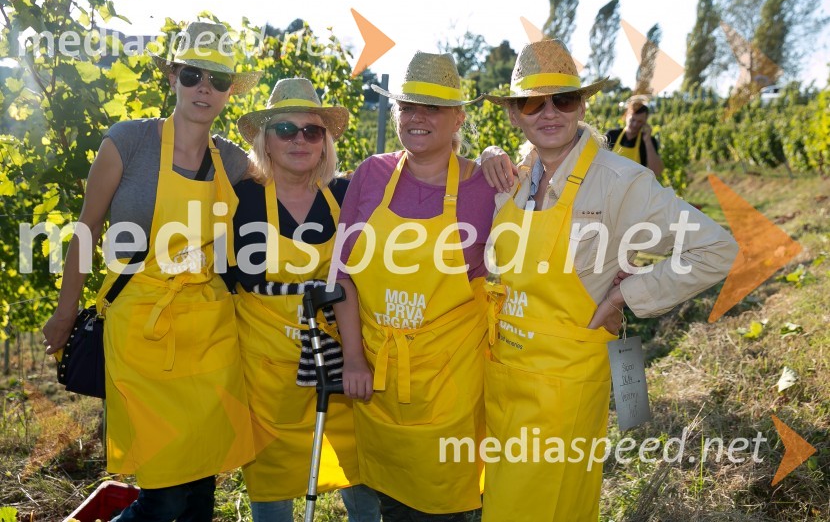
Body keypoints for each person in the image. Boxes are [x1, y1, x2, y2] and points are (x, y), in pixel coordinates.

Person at [478, 39, 738, 521]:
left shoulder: (619, 181)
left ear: (582, 106)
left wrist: (625, 294)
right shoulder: (515, 178)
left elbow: (715, 249)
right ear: (514, 114)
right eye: (533, 103)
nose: (549, 113)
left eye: (564, 100)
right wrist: (488, 153)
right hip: (505, 378)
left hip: (565, 388)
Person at [42, 22, 262, 521]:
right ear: (172, 77)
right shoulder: (129, 142)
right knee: (164, 496)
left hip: (208, 333)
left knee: (200, 488)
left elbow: (296, 181)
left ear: (230, 91)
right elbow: (86, 230)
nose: (204, 88)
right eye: (193, 74)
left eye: (218, 80)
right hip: (140, 329)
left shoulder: (234, 162)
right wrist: (64, 312)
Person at [332, 52, 496, 520]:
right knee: (393, 502)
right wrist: (354, 358)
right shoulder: (371, 174)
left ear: (458, 118)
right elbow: (342, 274)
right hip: (377, 379)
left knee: (448, 505)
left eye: (433, 108)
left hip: (452, 383)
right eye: (408, 107)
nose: (417, 117)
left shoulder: (487, 185)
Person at [228, 78, 379, 521]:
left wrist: (356, 359)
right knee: (272, 478)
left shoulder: (345, 195)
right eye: (285, 129)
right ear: (265, 140)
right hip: (265, 367)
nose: (299, 140)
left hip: (338, 355)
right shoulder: (239, 198)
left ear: (325, 141)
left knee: (360, 473)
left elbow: (350, 279)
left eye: (312, 131)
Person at [605, 95, 664, 176]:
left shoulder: (648, 141)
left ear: (645, 121)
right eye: (632, 120)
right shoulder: (612, 135)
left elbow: (657, 171)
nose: (635, 124)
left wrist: (647, 141)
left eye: (640, 121)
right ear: (626, 116)